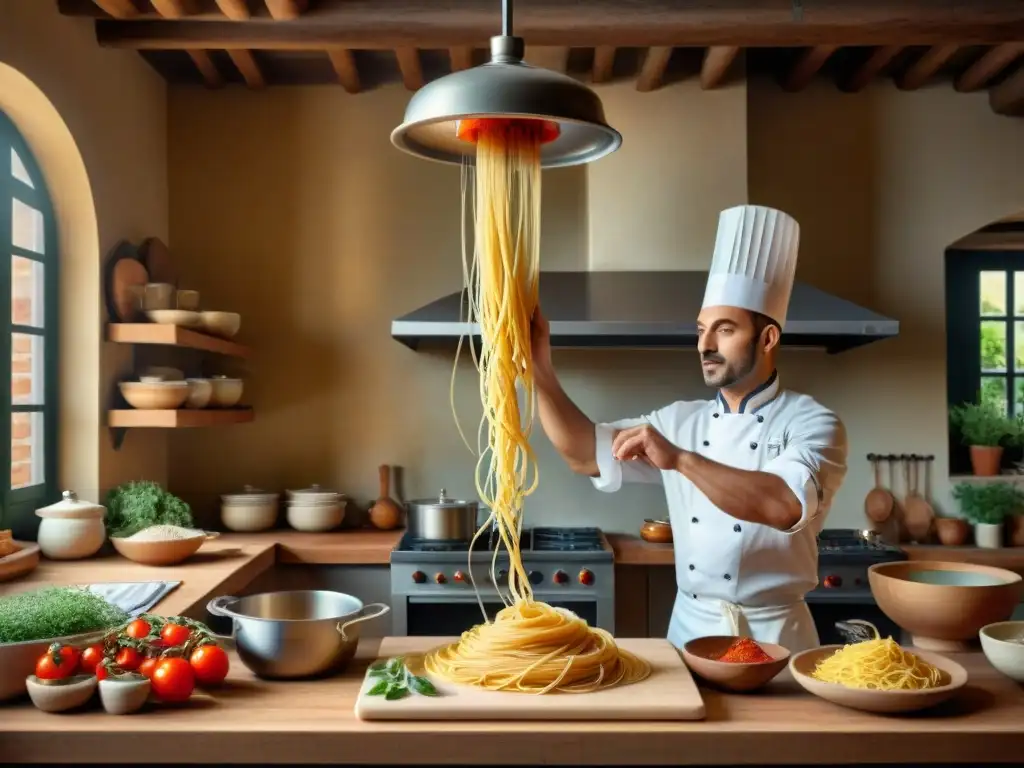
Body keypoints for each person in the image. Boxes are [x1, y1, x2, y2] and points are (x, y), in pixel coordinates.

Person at [532, 204, 848, 652]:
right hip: (690, 635)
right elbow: (583, 453)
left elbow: (781, 505)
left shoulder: (813, 422)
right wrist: (540, 370)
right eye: (701, 330)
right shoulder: (678, 421)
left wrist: (679, 459)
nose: (705, 345)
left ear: (768, 338)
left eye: (724, 330)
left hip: (778, 639)